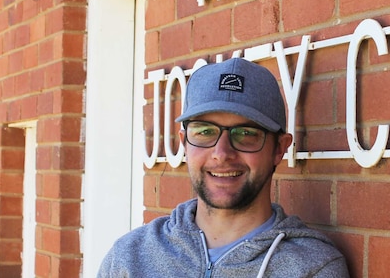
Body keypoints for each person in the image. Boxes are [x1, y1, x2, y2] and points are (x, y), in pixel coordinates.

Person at [97, 58, 350, 277]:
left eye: (246, 133)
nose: (222, 154)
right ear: (184, 143)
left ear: (278, 149)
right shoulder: (131, 258)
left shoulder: (312, 268)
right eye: (205, 132)